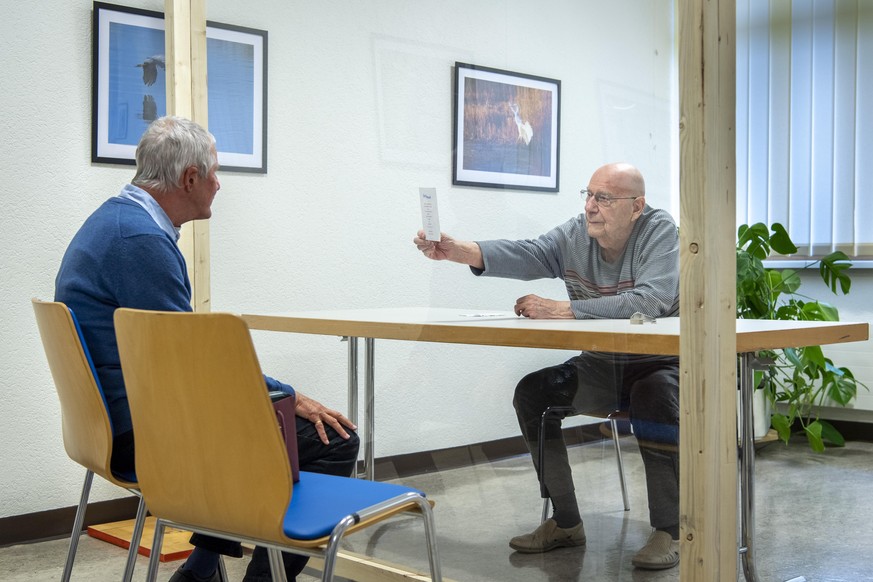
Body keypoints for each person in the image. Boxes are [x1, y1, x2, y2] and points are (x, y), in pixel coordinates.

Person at [55, 116, 360, 582]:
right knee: (334, 437)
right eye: (214, 173)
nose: (220, 184)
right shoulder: (139, 241)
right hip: (144, 437)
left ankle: (200, 570)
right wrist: (287, 395)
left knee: (258, 419)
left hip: (111, 426)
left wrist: (275, 396)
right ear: (189, 178)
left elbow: (188, 361)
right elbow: (199, 365)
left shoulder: (114, 221)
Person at [413, 162, 681, 570]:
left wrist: (565, 309)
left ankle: (670, 530)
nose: (591, 207)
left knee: (653, 397)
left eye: (604, 199)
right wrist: (460, 251)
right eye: (588, 195)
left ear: (637, 206)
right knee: (534, 394)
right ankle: (566, 522)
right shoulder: (577, 234)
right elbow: (531, 253)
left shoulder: (660, 232)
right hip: (604, 365)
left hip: (662, 365)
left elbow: (649, 301)